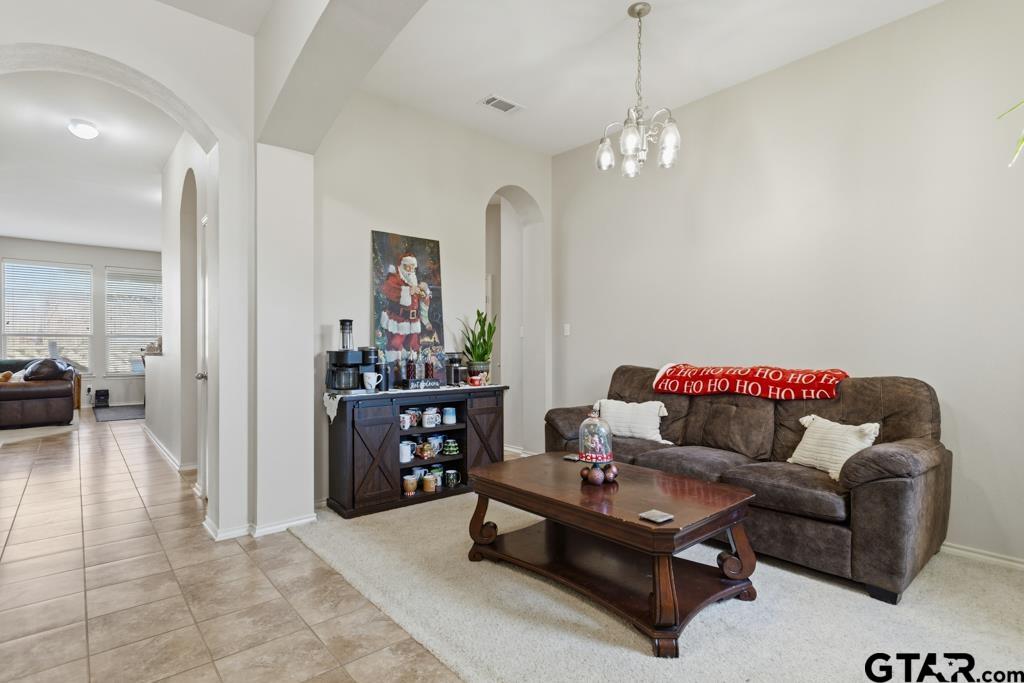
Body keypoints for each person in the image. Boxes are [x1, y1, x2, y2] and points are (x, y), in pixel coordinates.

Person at [379, 253, 432, 361]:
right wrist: (408, 291)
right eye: (408, 266)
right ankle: (394, 364)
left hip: (414, 320)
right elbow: (388, 290)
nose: (411, 269)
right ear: (401, 266)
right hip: (399, 319)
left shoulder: (414, 279)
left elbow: (422, 300)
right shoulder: (394, 278)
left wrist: (425, 291)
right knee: (395, 344)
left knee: (413, 345)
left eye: (413, 266)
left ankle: (412, 365)